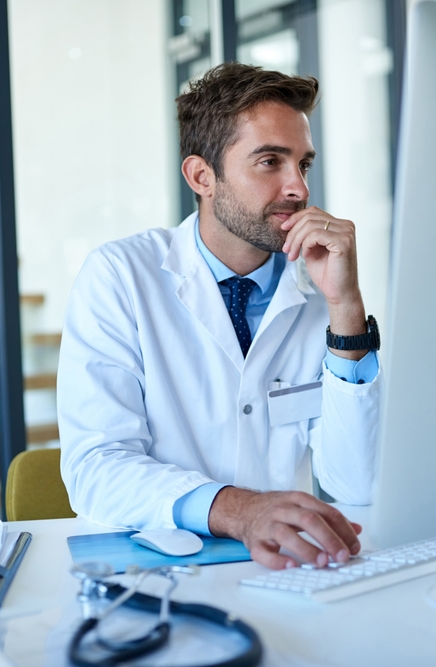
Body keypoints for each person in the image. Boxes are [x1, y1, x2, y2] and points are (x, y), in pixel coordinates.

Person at [57, 63, 382, 570]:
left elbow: (359, 483)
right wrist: (241, 510)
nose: (297, 187)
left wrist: (345, 308)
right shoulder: (120, 275)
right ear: (202, 176)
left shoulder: (319, 286)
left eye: (303, 164)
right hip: (155, 575)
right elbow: (95, 468)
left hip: (289, 571)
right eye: (270, 161)